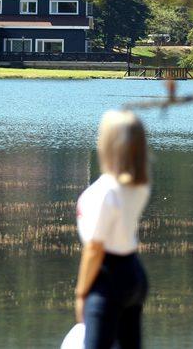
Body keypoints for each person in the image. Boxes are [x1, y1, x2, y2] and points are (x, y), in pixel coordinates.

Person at [74, 110, 151, 349]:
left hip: (108, 278)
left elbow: (95, 247)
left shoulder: (106, 189)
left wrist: (81, 293)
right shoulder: (140, 184)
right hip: (134, 274)